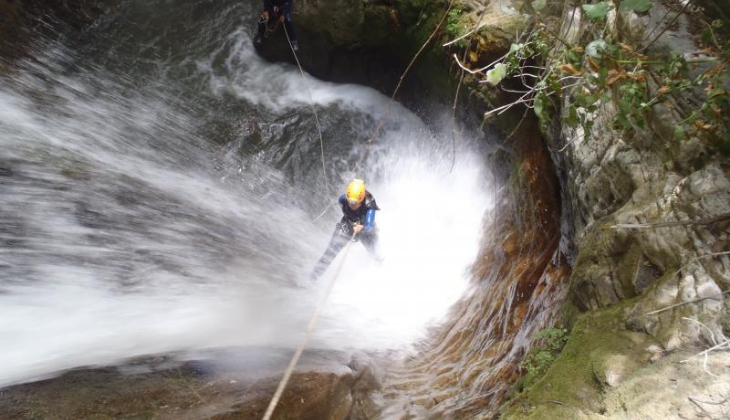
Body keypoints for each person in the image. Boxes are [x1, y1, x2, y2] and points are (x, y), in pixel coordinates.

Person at [310, 179, 381, 281]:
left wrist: (362, 227)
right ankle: (312, 279)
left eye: (355, 203)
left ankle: (379, 275)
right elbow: (346, 209)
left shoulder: (370, 206)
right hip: (347, 224)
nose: (351, 205)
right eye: (350, 201)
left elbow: (369, 226)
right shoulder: (342, 199)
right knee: (330, 252)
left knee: (377, 255)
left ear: (361, 200)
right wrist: (351, 228)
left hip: (366, 229)